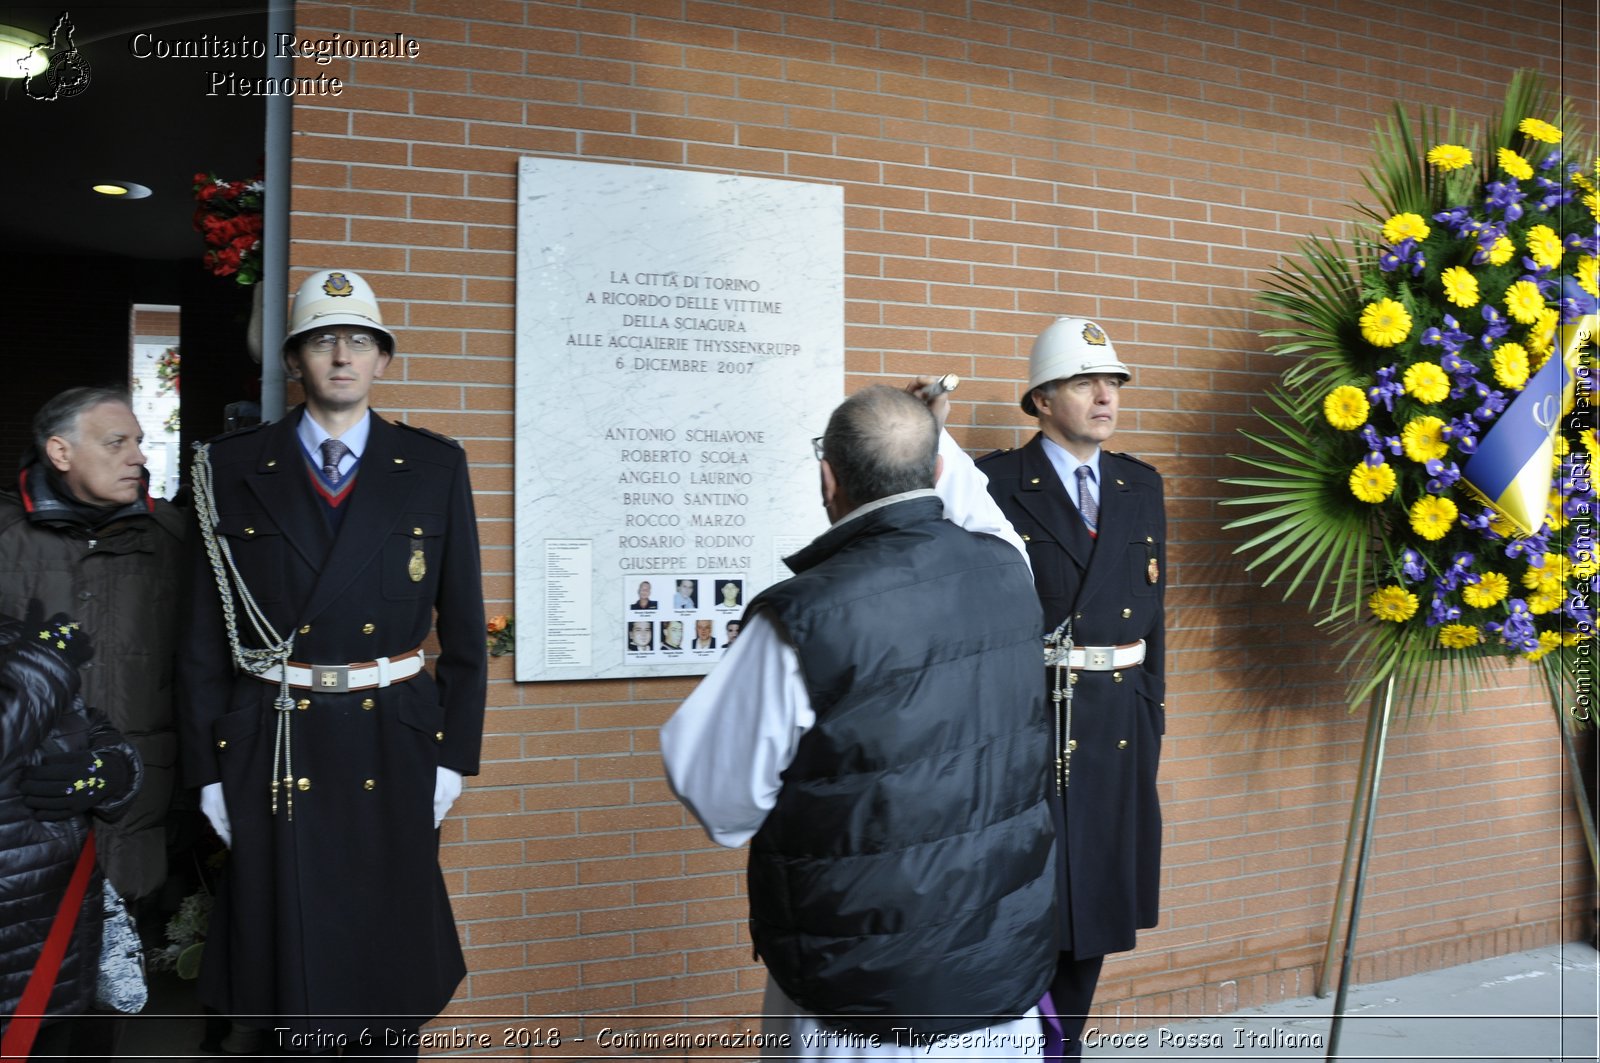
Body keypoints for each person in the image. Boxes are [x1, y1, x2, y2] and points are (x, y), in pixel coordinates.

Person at [662, 383, 1055, 1055]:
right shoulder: (1009, 570)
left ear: (827, 477)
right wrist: (933, 434)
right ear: (937, 470)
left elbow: (721, 801)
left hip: (860, 1005)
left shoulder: (801, 617)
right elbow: (977, 509)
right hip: (998, 987)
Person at [177, 268, 487, 1054]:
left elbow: (464, 630)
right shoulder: (228, 468)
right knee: (290, 973)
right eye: (322, 339)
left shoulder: (434, 466)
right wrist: (207, 773)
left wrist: (453, 757)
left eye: (359, 340)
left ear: (383, 360)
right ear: (295, 361)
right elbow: (201, 643)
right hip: (276, 744)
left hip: (393, 740)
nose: (341, 355)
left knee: (384, 963)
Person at [977, 318, 1167, 1059]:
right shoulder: (996, 483)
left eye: (1113, 381)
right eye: (1085, 381)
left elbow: (1157, 620)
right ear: (1041, 399)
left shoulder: (1139, 484)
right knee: (1035, 906)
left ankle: (1063, 1047)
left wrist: (1152, 714)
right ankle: (1031, 1047)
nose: (1104, 394)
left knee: (1096, 908)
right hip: (1037, 726)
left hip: (1118, 726)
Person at [0, 387, 185, 909]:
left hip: (136, 825)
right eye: (116, 442)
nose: (139, 456)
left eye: (140, 441)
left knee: (122, 982)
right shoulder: (5, 537)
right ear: (61, 453)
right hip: (21, 829)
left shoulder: (175, 541)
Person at [0, 606, 142, 1063]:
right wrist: (45, 658)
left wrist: (112, 770)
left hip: (57, 942)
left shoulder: (14, 635)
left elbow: (90, 728)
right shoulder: (40, 656)